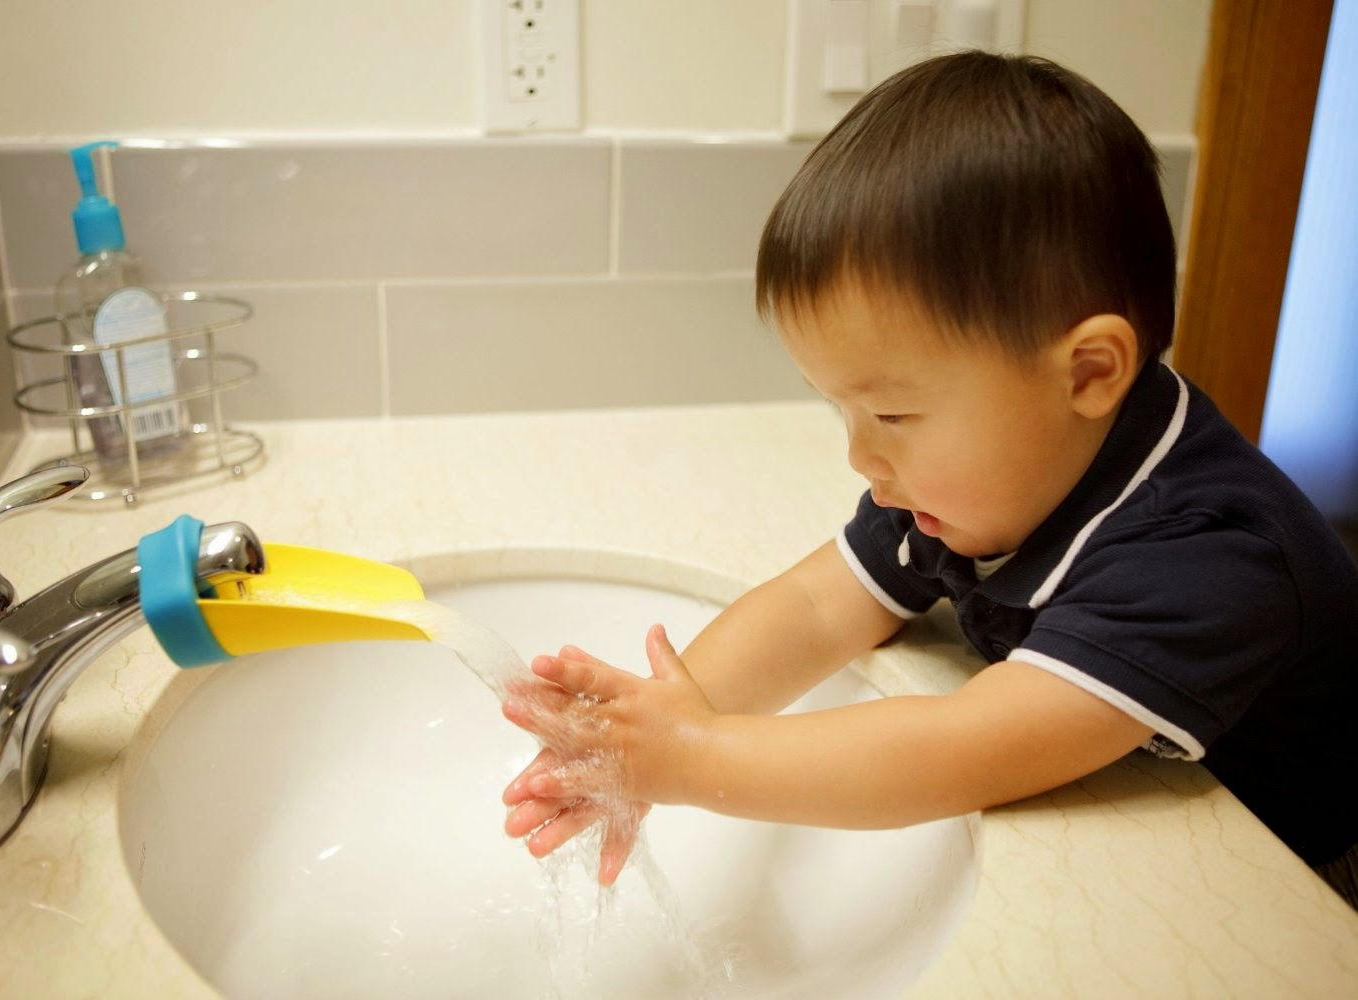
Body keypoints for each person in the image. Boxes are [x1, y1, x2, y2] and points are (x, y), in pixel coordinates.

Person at [499, 51, 1358, 907]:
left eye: (894, 414)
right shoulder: (975, 481)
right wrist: (659, 721)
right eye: (843, 411)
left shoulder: (1206, 556)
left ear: (1089, 373)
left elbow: (956, 750)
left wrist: (697, 760)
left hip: (1309, 885)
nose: (861, 459)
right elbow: (819, 605)